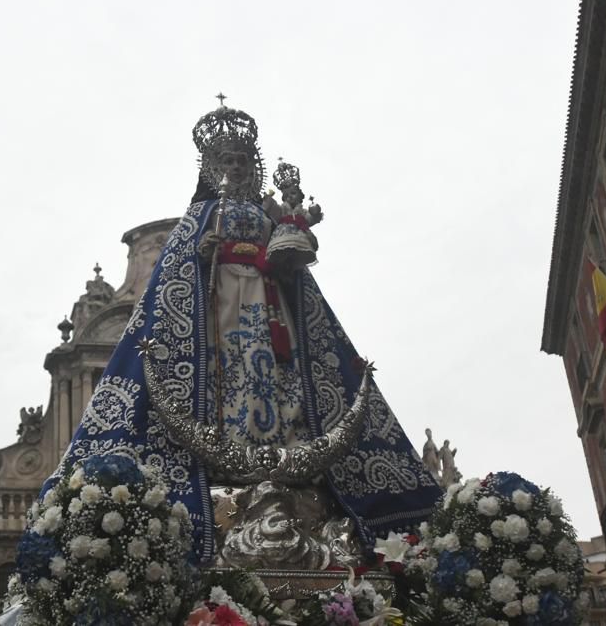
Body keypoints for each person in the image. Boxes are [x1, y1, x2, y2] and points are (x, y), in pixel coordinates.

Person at [36, 101, 441, 563]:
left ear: (254, 167)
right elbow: (179, 280)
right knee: (229, 372)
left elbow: (294, 260)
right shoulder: (202, 215)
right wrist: (206, 253)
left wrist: (292, 246)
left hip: (268, 305)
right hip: (222, 308)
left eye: (242, 162)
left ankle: (282, 444)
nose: (234, 168)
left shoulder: (266, 212)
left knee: (275, 374)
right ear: (211, 168)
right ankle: (229, 443)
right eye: (226, 161)